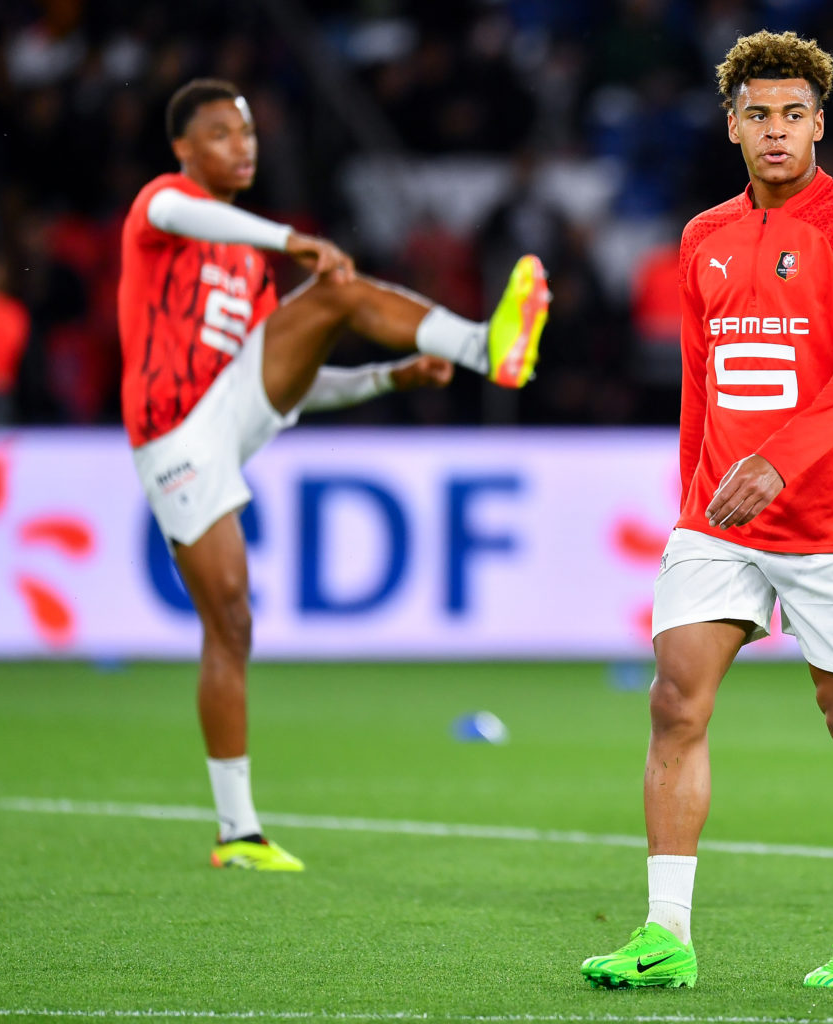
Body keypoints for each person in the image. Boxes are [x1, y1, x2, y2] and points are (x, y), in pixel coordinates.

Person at [118, 79, 549, 871]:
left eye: (246, 133)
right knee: (232, 626)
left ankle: (482, 345)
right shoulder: (164, 205)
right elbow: (185, 214)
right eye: (219, 134)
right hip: (176, 436)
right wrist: (289, 238)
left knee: (336, 296)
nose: (240, 147)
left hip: (229, 413)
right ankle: (237, 832)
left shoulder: (247, 265)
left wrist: (387, 378)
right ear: (183, 148)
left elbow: (288, 384)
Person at [580, 31, 833, 990]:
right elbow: (699, 388)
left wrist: (777, 461)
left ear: (820, 124)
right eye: (759, 115)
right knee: (675, 701)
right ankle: (666, 935)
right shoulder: (702, 238)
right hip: (722, 515)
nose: (776, 131)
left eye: (793, 115)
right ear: (732, 126)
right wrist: (697, 499)